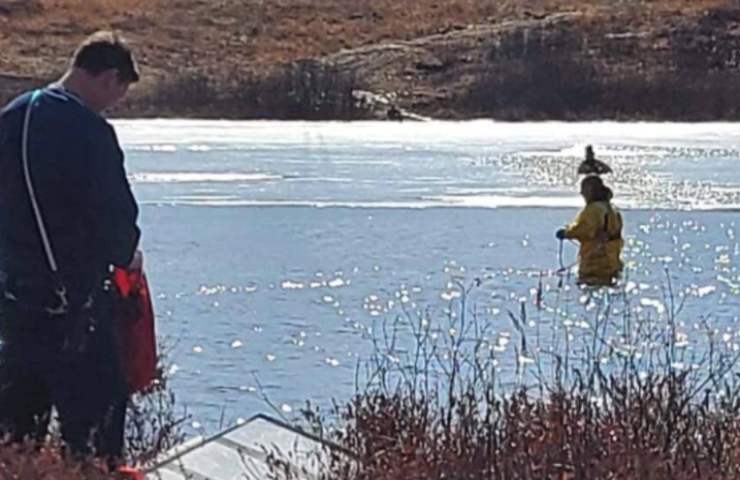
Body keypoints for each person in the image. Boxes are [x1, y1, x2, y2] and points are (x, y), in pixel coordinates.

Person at [0, 31, 140, 466]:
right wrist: (127, 255)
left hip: (14, 302)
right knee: (97, 433)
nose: (113, 104)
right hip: (75, 305)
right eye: (118, 93)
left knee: (16, 435)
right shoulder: (90, 131)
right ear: (109, 79)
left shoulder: (12, 117)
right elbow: (118, 221)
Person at [556, 176, 624, 286]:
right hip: (613, 263)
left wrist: (566, 233)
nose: (581, 193)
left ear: (590, 191)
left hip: (595, 265)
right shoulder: (613, 210)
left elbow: (584, 229)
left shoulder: (592, 210)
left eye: (583, 189)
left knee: (589, 288)